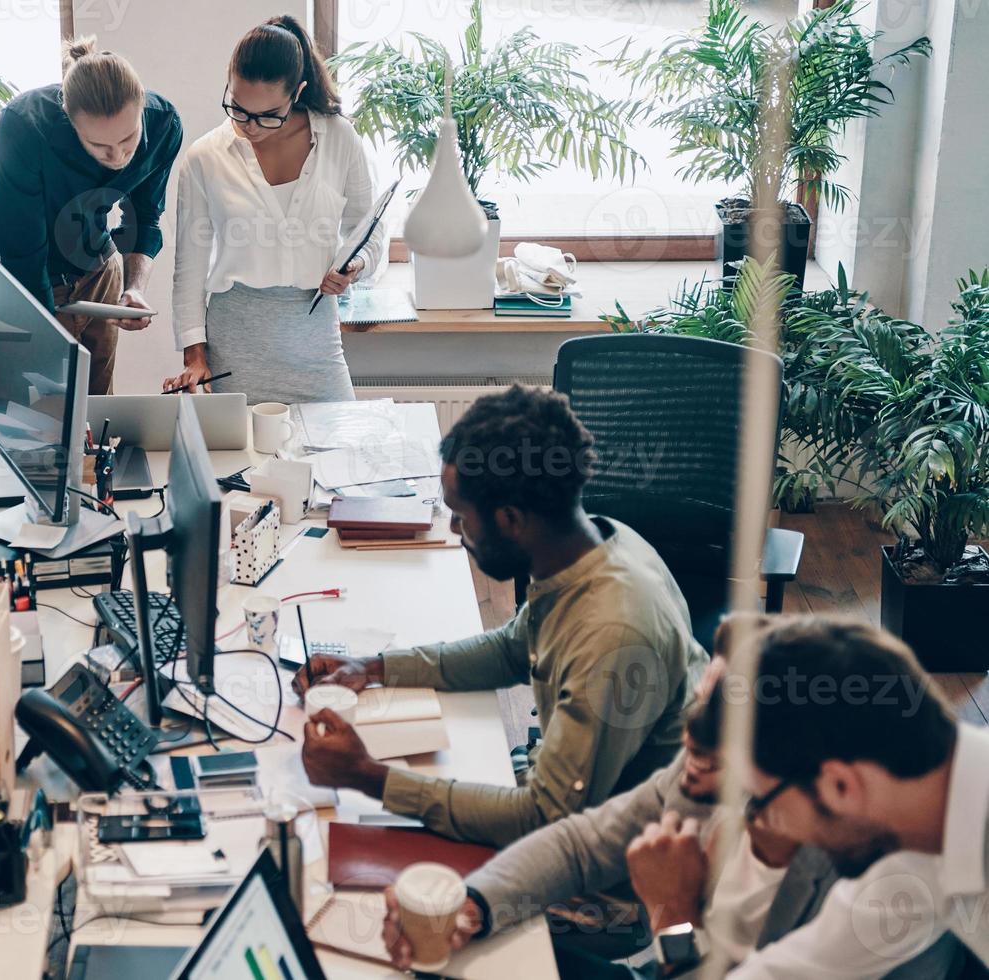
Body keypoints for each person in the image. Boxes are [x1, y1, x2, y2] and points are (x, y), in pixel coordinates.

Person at [375, 619, 962, 980]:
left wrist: (673, 918)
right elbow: (585, 842)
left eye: (734, 762)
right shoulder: (713, 764)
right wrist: (476, 902)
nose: (693, 753)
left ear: (834, 786)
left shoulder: (881, 888)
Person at [295, 386, 708, 845]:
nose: (454, 530)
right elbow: (514, 647)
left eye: (461, 516)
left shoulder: (612, 631)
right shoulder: (596, 544)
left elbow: (544, 820)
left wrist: (367, 777)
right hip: (574, 797)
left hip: (625, 854)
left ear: (511, 519)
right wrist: (372, 668)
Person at [636, 615, 988, 980]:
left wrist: (673, 914)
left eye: (759, 800)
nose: (750, 817)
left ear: (840, 785)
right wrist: (675, 922)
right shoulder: (901, 870)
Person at [164, 15, 383, 405]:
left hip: (317, 348)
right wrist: (194, 355)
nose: (249, 126)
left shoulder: (338, 138)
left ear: (297, 92)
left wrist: (355, 264)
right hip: (234, 349)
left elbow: (369, 232)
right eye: (238, 108)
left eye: (267, 115)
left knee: (338, 459)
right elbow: (189, 270)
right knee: (236, 465)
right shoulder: (204, 158)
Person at [0, 37, 182, 396]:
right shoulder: (25, 125)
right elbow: (22, 251)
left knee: (98, 413)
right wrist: (46, 344)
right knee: (36, 417)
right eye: (99, 146)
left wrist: (134, 288)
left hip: (96, 271)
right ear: (69, 122)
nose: (117, 156)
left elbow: (145, 218)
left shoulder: (164, 125)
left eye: (129, 139)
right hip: (18, 277)